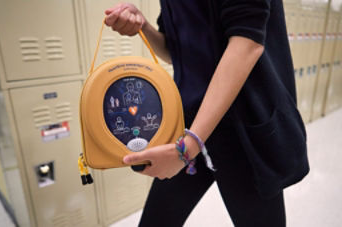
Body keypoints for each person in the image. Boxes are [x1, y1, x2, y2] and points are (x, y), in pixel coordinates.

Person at [104, 1, 309, 226]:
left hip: (242, 133)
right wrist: (144, 27)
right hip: (191, 125)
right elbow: (176, 54)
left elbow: (247, 43)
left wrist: (187, 149)